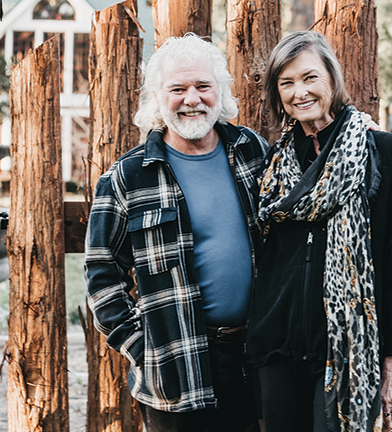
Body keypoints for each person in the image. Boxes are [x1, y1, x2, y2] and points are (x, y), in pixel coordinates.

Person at [84, 33, 269, 432]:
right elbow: (101, 276)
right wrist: (143, 349)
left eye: (203, 86)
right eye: (178, 89)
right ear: (157, 97)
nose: (192, 99)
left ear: (220, 91)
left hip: (256, 358)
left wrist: (360, 132)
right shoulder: (127, 177)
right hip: (175, 368)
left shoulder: (252, 150)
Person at [244, 31, 392, 432]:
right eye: (286, 82)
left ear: (332, 78)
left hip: (348, 350)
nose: (299, 92)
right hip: (276, 348)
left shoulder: (382, 152)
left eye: (310, 78)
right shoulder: (274, 163)